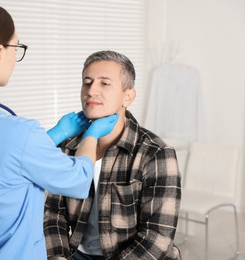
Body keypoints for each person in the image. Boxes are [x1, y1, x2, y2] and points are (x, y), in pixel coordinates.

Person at [0, 2, 118, 260]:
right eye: (17, 47)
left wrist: (55, 135)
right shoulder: (19, 133)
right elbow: (80, 180)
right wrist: (92, 135)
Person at [44, 50, 182, 260]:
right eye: (87, 82)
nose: (91, 91)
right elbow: (53, 215)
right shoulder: (66, 146)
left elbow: (157, 238)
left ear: (128, 96)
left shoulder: (156, 154)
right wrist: (58, 257)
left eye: (104, 83)